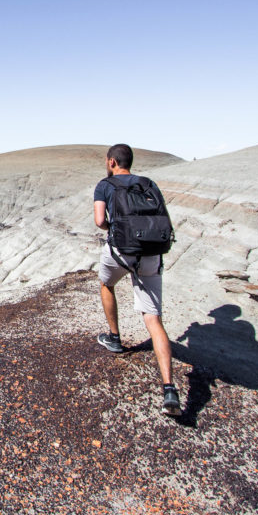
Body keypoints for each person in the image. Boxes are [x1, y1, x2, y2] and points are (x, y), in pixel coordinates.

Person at [93, 144, 181, 416]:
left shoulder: (105, 185)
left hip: (121, 252)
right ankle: (169, 389)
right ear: (130, 162)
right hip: (151, 253)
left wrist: (115, 230)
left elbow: (99, 221)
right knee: (153, 318)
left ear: (111, 162)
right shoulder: (148, 184)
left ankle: (114, 337)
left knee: (106, 284)